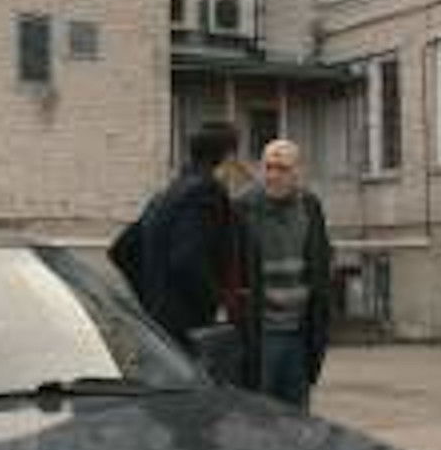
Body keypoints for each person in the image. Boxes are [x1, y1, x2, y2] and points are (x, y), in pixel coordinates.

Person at [110, 122, 240, 348]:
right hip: (189, 325)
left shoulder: (166, 193)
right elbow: (187, 258)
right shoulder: (206, 193)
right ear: (228, 158)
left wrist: (151, 298)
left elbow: (123, 250)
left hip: (158, 323)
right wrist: (215, 301)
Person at [234, 139, 332, 410]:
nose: (273, 175)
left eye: (282, 168)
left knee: (296, 417)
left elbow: (320, 263)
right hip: (261, 332)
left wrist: (320, 325)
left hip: (300, 333)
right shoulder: (244, 207)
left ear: (297, 172)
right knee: (260, 414)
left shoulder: (309, 206)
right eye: (268, 167)